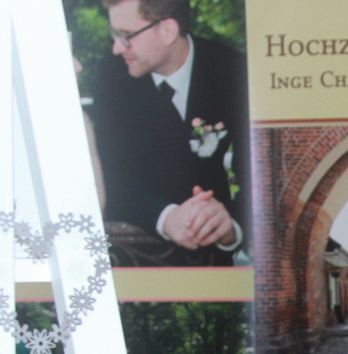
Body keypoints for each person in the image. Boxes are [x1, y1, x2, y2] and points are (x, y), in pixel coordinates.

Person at [90, 0, 250, 266]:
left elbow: (258, 173)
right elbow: (110, 175)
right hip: (134, 251)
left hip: (213, 254)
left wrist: (232, 226)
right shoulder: (111, 76)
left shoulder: (232, 70)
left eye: (126, 36)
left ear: (168, 31)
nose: (117, 48)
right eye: (114, 35)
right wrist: (166, 217)